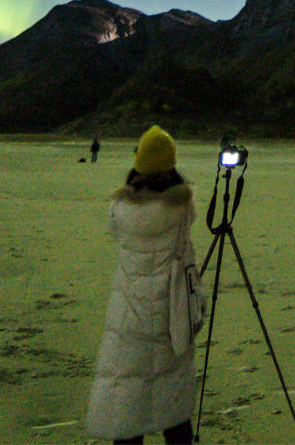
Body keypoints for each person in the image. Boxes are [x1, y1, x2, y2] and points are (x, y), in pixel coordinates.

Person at [85, 126, 199, 444]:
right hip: (170, 315)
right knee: (173, 405)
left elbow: (117, 230)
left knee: (128, 405)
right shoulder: (180, 208)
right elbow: (191, 213)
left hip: (129, 316)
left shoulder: (119, 209)